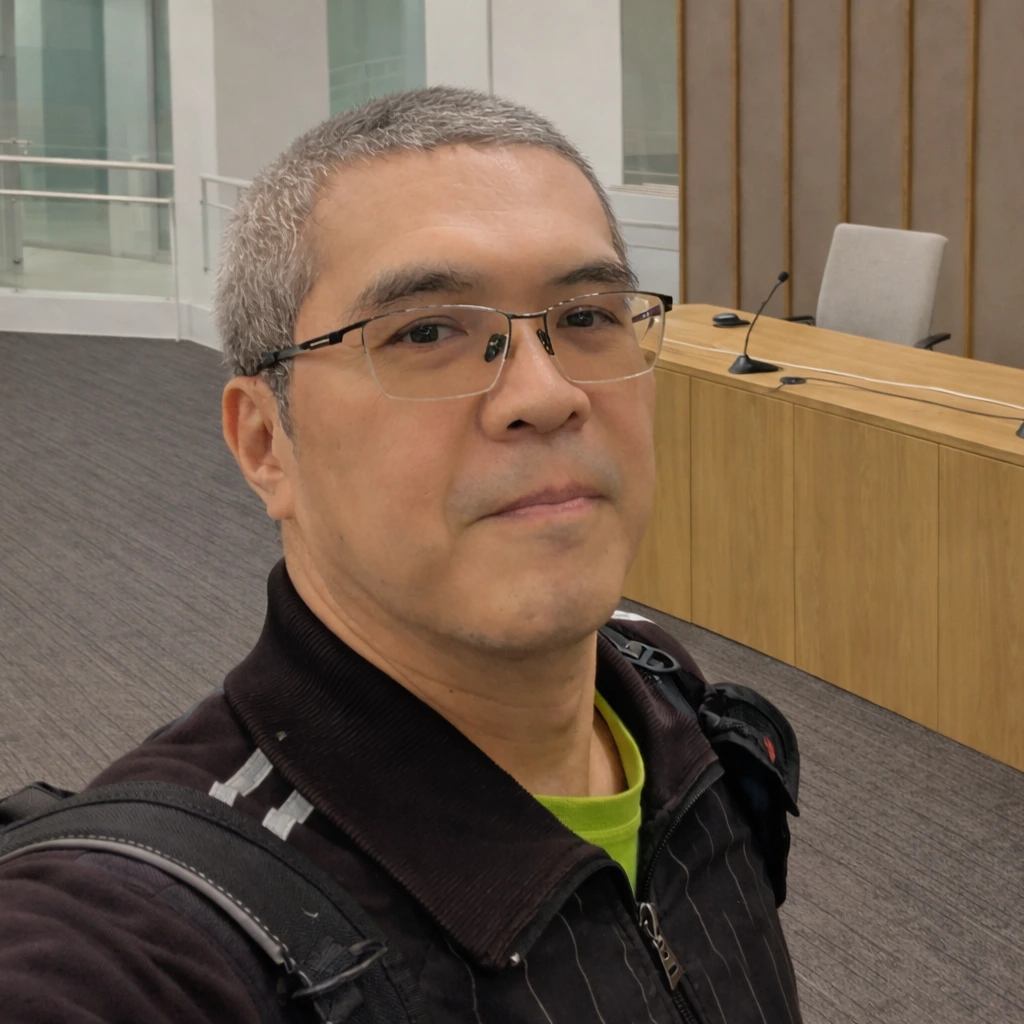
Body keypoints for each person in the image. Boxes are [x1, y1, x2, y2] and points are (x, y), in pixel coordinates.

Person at [0, 87, 802, 1023]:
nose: (546, 395)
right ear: (265, 443)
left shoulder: (672, 703)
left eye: (588, 316)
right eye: (426, 332)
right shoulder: (146, 927)